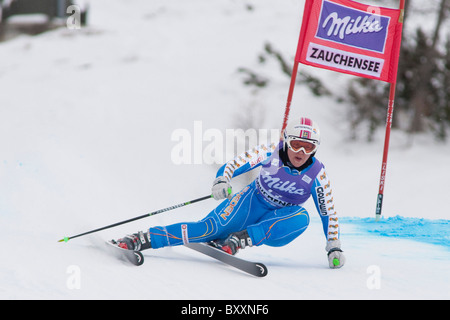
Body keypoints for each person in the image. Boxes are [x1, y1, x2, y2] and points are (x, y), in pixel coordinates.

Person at [114, 117, 345, 269]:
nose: (301, 152)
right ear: (286, 142)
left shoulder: (317, 173)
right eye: (296, 144)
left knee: (302, 218)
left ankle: (240, 239)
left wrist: (333, 245)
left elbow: (329, 212)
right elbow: (237, 163)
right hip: (251, 202)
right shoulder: (270, 152)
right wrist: (222, 179)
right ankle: (142, 238)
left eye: (309, 147)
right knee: (207, 230)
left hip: (276, 224)